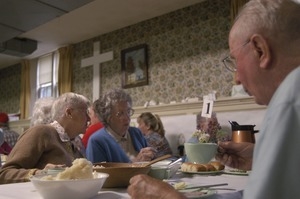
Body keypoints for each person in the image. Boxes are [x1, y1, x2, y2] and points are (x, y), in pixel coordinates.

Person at [128, 0, 300, 198]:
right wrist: (260, 157)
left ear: (260, 50)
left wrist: (168, 196)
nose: (236, 79)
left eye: (235, 61)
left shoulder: (291, 97)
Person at [0, 92, 90, 184]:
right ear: (69, 112)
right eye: (86, 113)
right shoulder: (40, 132)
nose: (89, 119)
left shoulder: (72, 142)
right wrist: (39, 173)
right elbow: (4, 174)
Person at [86, 88, 156, 163]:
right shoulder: (97, 141)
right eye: (120, 114)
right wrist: (136, 163)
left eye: (128, 111)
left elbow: (149, 162)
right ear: (108, 117)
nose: (127, 118)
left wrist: (151, 156)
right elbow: (99, 173)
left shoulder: (136, 133)